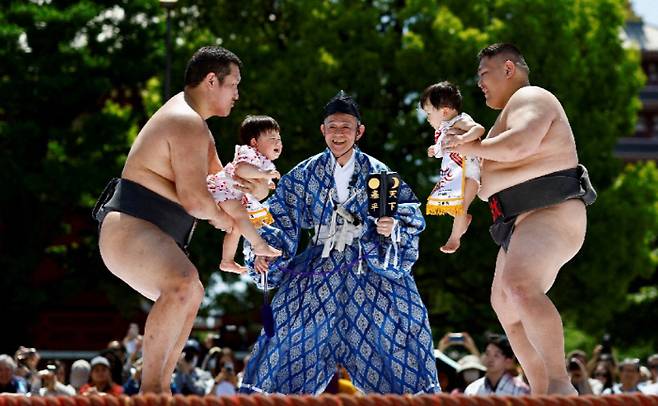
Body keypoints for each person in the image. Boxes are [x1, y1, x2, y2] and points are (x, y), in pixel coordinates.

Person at [91, 46, 268, 394]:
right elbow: (197, 199)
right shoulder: (184, 120)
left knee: (192, 290)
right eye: (233, 84)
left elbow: (226, 187)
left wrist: (258, 185)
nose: (237, 94)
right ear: (211, 81)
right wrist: (222, 219)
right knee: (184, 281)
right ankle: (152, 390)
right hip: (131, 226)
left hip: (148, 230)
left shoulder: (196, 127)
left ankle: (161, 387)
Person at [238, 91, 440, 394]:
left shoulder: (380, 173)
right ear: (322, 130)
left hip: (370, 271)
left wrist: (392, 226)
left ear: (359, 131)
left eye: (346, 127)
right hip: (318, 272)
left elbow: (409, 215)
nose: (338, 134)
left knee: (399, 332)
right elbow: (275, 217)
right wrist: (264, 248)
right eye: (332, 127)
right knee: (286, 338)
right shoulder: (302, 175)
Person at [443, 43, 596, 395]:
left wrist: (471, 149)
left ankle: (559, 382)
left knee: (520, 286)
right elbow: (481, 182)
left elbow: (520, 146)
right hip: (515, 224)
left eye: (484, 74)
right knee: (506, 305)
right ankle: (542, 386)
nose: (479, 83)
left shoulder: (532, 98)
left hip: (551, 209)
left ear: (508, 69)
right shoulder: (497, 123)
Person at [208, 115, 283, 273]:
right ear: (255, 142)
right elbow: (241, 169)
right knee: (241, 216)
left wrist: (265, 180)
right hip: (224, 190)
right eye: (272, 138)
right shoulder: (249, 151)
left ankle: (227, 261)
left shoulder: (264, 162)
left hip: (233, 195)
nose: (278, 142)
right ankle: (259, 245)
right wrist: (263, 175)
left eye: (279, 138)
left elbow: (256, 180)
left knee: (236, 227)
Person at [420, 81, 484, 253]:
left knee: (460, 206)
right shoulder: (441, 131)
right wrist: (435, 149)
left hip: (470, 175)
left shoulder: (459, 120)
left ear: (445, 111)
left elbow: (478, 129)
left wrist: (463, 139)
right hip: (452, 177)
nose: (427, 118)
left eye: (428, 113)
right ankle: (463, 220)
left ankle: (454, 239)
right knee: (445, 204)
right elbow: (445, 150)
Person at [464, 334, 529, 396]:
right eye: (487, 354)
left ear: (508, 361)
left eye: (496, 355)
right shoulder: (472, 389)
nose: (490, 359)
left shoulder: (520, 390)